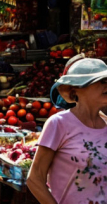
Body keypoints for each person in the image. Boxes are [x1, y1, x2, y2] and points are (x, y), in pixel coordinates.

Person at [27, 58, 107, 204]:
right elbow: (35, 179)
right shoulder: (59, 124)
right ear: (76, 90)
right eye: (100, 81)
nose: (106, 86)